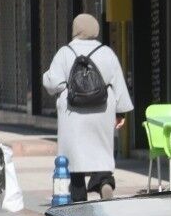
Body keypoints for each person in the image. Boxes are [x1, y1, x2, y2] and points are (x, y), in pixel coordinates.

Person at [40, 13, 133, 202]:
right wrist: (120, 112)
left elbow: (52, 84)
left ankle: (79, 199)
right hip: (102, 110)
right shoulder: (107, 52)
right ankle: (104, 182)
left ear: (75, 30)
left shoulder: (65, 52)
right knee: (101, 151)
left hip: (73, 114)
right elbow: (119, 84)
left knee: (74, 159)